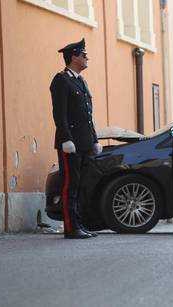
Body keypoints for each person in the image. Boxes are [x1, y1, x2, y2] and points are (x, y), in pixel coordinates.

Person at [50, 38, 102, 239]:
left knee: (81, 185)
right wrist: (65, 139)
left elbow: (88, 115)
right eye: (83, 55)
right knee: (69, 185)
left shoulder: (80, 81)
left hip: (85, 142)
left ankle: (80, 224)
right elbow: (59, 114)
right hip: (70, 143)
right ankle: (71, 227)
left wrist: (95, 139)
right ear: (73, 57)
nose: (86, 58)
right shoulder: (61, 80)